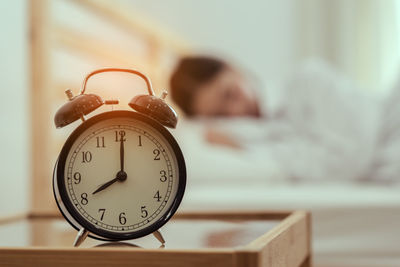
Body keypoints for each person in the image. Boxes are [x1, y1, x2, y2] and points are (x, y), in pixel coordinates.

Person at [169, 56, 380, 182]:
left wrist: (249, 149)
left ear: (233, 69)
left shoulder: (308, 81)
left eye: (229, 94)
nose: (235, 112)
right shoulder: (252, 140)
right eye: (220, 115)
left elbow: (351, 159)